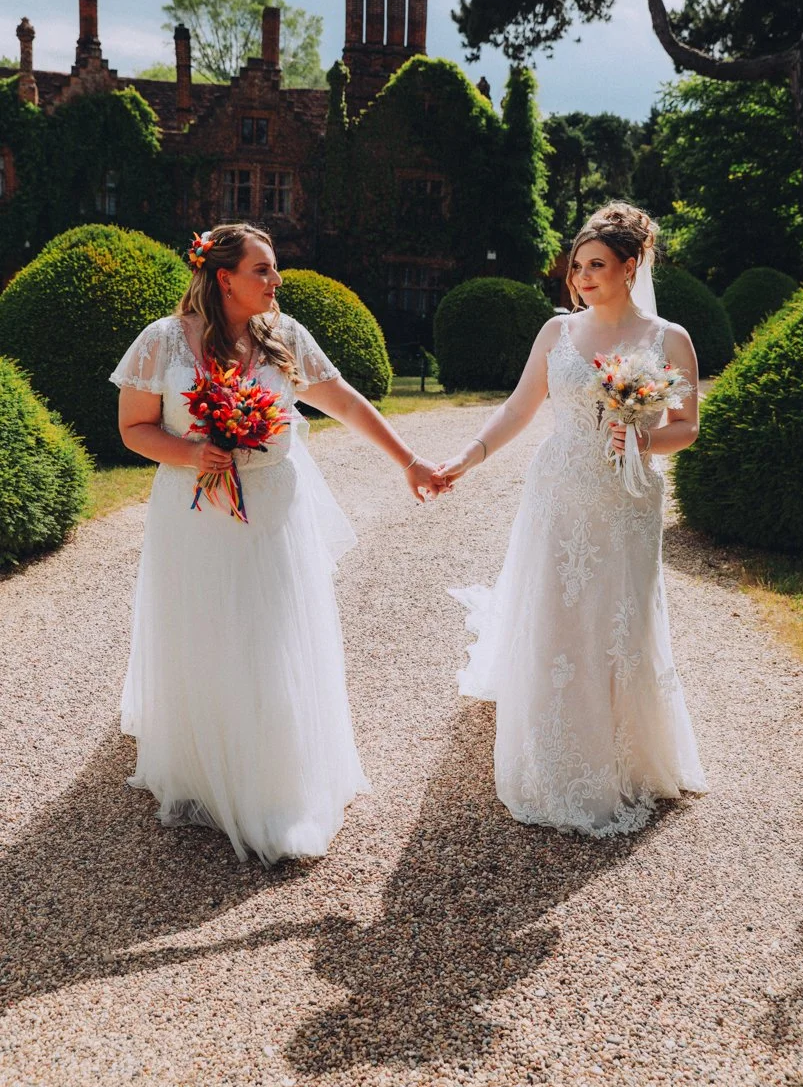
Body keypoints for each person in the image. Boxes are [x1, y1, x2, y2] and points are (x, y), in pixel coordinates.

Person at [111, 223, 447, 865]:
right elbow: (133, 429)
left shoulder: (284, 337)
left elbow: (343, 402)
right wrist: (191, 451)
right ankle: (208, 764)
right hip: (197, 508)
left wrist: (408, 460)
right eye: (263, 269)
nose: (276, 279)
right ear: (223, 278)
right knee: (207, 628)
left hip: (274, 508)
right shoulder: (161, 340)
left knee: (272, 632)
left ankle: (275, 775)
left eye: (274, 268)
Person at [440, 202, 707, 837]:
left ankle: (624, 757)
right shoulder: (555, 333)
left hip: (627, 495)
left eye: (597, 265)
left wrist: (640, 442)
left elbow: (686, 427)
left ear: (630, 265)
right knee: (558, 614)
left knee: (620, 617)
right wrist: (467, 457)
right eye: (577, 266)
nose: (582, 277)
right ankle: (556, 753)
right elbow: (517, 408)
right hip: (559, 488)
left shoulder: (669, 338)